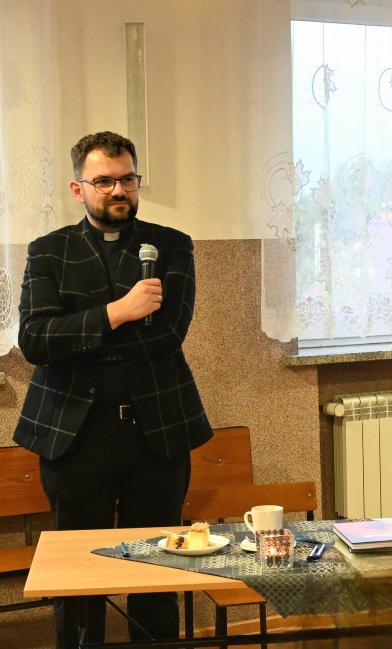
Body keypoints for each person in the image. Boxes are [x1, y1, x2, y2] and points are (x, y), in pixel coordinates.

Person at [15, 132, 212, 647]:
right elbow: (35, 340)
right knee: (78, 577)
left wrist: (78, 336)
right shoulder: (49, 251)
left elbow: (167, 335)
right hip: (76, 437)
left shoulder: (170, 245)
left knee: (159, 569)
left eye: (127, 179)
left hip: (156, 433)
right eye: (103, 181)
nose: (118, 190)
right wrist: (118, 313)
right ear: (78, 188)